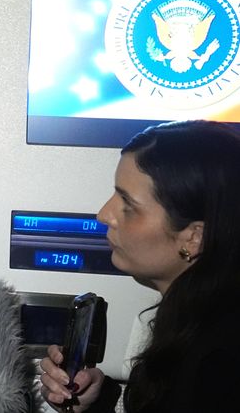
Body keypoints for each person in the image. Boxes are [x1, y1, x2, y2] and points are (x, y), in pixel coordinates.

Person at [39, 120, 240, 412]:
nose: (104, 214)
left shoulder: (217, 365)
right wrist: (100, 401)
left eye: (128, 204)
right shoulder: (197, 327)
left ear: (194, 237)